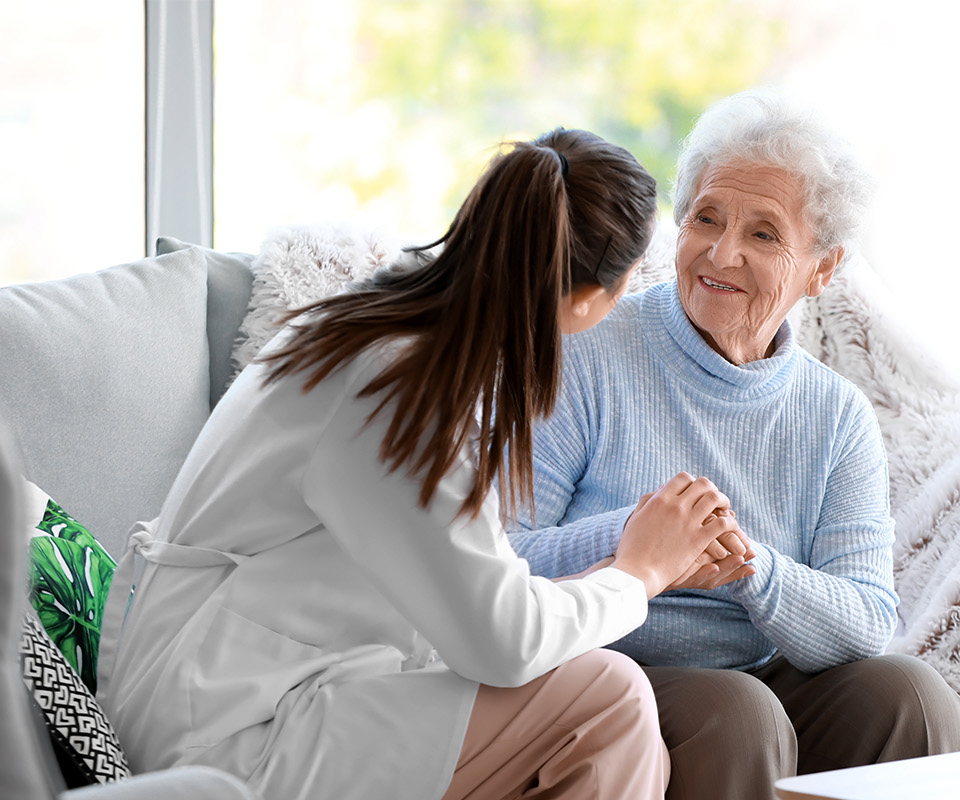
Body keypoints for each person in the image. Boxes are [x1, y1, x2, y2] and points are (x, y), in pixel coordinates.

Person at [95, 128, 745, 800]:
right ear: (588, 298)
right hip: (229, 729)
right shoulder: (395, 385)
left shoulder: (385, 331)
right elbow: (502, 643)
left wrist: (620, 570)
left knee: (615, 717)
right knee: (607, 701)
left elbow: (472, 594)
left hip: (258, 687)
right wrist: (640, 573)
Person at [507, 92, 960, 799]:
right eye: (707, 219)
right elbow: (502, 556)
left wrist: (751, 567)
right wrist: (643, 539)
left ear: (822, 268)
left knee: (910, 694)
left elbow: (868, 619)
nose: (722, 254)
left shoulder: (835, 413)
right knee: (737, 713)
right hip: (604, 670)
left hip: (759, 669)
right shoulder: (588, 349)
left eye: (763, 234)